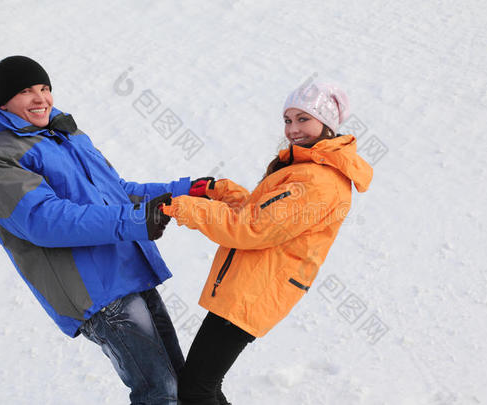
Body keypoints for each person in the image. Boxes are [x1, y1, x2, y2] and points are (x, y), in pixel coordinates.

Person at [0, 55, 212, 405]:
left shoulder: (68, 136)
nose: (40, 98)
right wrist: (135, 221)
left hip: (131, 271)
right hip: (97, 291)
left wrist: (184, 191)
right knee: (160, 393)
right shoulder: (0, 159)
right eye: (26, 91)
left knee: (182, 384)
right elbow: (46, 221)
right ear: (3, 102)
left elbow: (116, 191)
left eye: (44, 88)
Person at [160, 82, 374, 404]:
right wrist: (222, 190)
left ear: (326, 124)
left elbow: (251, 229)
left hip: (255, 291)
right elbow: (265, 218)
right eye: (288, 120)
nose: (293, 129)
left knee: (196, 389)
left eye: (303, 119)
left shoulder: (318, 180)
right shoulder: (306, 167)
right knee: (204, 385)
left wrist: (182, 207)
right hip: (248, 286)